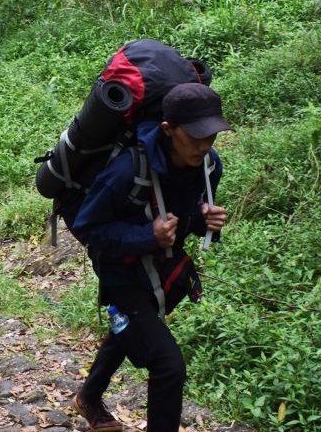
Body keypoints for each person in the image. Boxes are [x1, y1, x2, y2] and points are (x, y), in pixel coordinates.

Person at [71, 83, 229, 432]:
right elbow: (87, 227)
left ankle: (88, 397)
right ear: (168, 130)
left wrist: (206, 221)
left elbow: (185, 216)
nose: (204, 146)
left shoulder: (208, 165)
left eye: (212, 136)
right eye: (195, 136)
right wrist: (146, 236)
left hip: (161, 268)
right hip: (121, 271)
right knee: (168, 364)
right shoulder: (126, 171)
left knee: (133, 329)